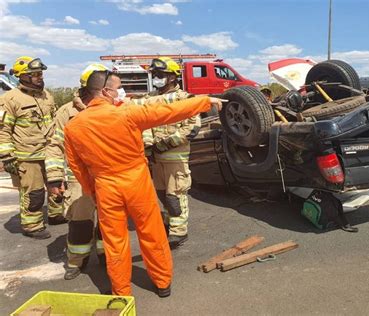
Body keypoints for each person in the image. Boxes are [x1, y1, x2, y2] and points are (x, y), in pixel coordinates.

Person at [64, 70, 223, 297]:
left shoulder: (74, 126)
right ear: (106, 91)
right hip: (136, 181)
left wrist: (92, 191)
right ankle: (162, 282)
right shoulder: (127, 113)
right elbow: (169, 111)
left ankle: (121, 292)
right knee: (151, 232)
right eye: (118, 87)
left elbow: (76, 166)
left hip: (105, 187)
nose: (122, 92)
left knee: (114, 242)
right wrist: (205, 101)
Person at [45, 64, 108, 280]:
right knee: (80, 222)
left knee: (109, 222)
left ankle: (106, 256)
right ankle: (76, 261)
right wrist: (54, 177)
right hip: (78, 179)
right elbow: (54, 145)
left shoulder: (111, 107)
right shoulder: (67, 112)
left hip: (107, 178)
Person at [0, 56, 66, 240]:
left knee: (58, 186)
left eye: (40, 74)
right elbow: (3, 130)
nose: (39, 77)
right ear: (22, 76)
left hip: (50, 153)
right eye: (34, 74)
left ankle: (56, 215)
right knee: (34, 193)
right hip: (27, 156)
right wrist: (7, 156)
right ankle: (32, 225)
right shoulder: (9, 99)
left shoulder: (47, 96)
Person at [144, 57, 201, 249]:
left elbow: (192, 128)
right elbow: (144, 123)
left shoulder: (186, 99)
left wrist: (164, 145)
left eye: (161, 75)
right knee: (162, 194)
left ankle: (178, 232)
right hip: (155, 158)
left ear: (172, 77)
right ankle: (169, 224)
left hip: (175, 157)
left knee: (175, 195)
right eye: (155, 75)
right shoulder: (150, 98)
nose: (157, 78)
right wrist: (149, 145)